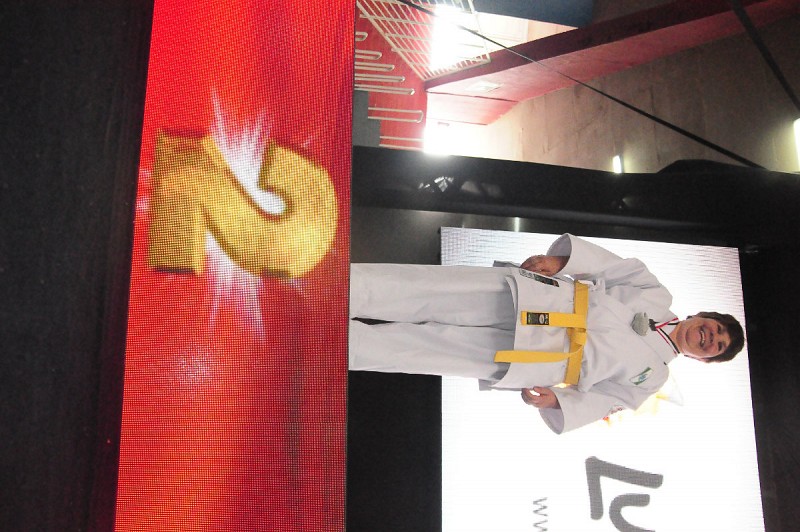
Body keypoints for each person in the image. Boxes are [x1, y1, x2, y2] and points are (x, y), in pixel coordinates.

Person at [349, 233, 745, 434]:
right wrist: (560, 262)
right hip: (537, 298)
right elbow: (613, 268)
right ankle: (342, 288)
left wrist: (559, 400)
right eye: (715, 329)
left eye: (717, 347)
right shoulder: (657, 294)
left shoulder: (653, 377)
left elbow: (605, 401)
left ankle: (337, 345)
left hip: (539, 357)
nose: (711, 338)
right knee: (430, 292)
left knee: (423, 351)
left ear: (703, 358)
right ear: (701, 316)